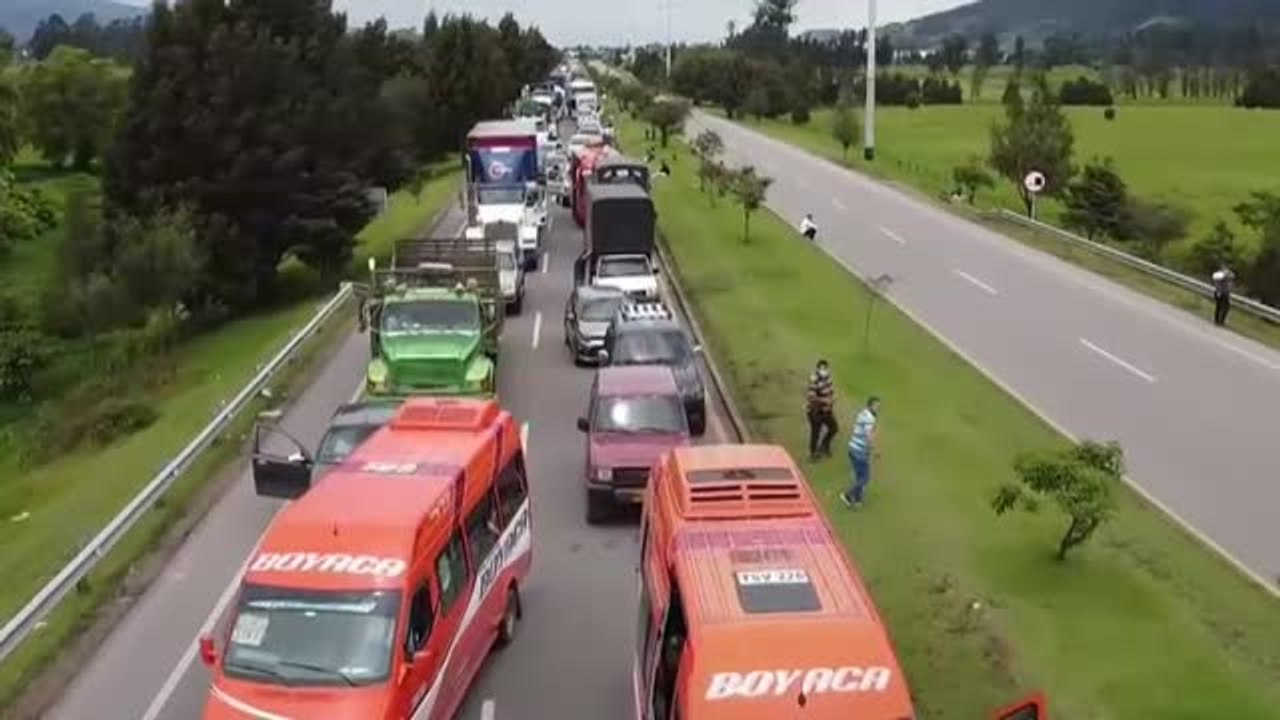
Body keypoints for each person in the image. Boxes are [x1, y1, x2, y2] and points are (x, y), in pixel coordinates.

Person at [841, 396, 881, 509]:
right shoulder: (869, 418)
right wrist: (875, 450)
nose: (878, 408)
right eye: (876, 406)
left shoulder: (863, 413)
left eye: (879, 406)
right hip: (860, 451)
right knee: (865, 478)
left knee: (859, 476)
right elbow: (868, 436)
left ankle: (858, 500)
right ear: (870, 405)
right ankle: (847, 495)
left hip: (853, 448)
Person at [806, 360, 838, 460]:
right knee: (816, 432)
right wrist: (825, 401)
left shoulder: (828, 378)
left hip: (827, 410)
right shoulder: (814, 379)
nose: (824, 370)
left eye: (826, 368)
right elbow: (811, 397)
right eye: (822, 368)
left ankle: (824, 446)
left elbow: (831, 391)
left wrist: (833, 399)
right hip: (815, 411)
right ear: (818, 369)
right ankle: (813, 454)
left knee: (834, 428)